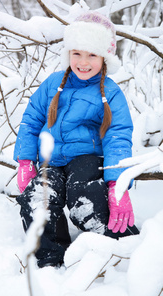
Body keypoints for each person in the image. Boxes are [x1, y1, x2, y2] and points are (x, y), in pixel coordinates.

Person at [14, 11, 139, 268]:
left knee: (84, 195)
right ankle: (50, 259)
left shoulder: (111, 93)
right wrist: (26, 159)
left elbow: (118, 137)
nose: (83, 62)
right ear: (68, 53)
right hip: (52, 159)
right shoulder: (52, 84)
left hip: (87, 157)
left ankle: (118, 246)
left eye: (92, 54)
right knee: (37, 199)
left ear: (104, 57)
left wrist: (118, 184)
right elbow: (31, 120)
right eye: (77, 53)